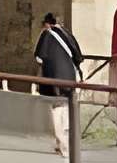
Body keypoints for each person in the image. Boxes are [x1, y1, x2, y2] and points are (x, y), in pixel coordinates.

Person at [32, 11, 86, 154]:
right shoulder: (67, 34)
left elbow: (39, 58)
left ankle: (63, 144)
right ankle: (61, 142)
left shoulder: (47, 34)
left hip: (54, 77)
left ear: (47, 23)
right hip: (70, 76)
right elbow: (79, 56)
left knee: (56, 108)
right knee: (65, 106)